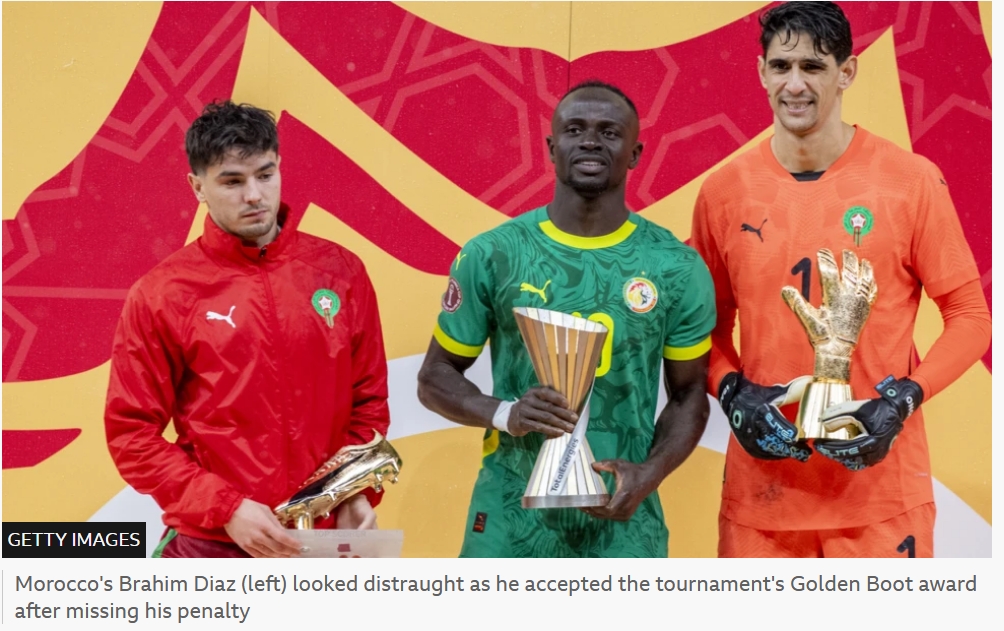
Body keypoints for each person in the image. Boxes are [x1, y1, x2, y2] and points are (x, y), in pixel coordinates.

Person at [690, 1, 992, 558]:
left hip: (880, 501)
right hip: (763, 506)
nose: (795, 84)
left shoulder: (911, 181)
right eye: (781, 67)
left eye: (814, 66)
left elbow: (971, 319)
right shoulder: (723, 193)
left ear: (847, 71)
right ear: (761, 72)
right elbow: (702, 334)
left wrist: (904, 399)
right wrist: (731, 390)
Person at [416, 81, 716, 558]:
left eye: (610, 132)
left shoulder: (676, 267)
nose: (591, 141)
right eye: (575, 130)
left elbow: (689, 394)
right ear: (552, 149)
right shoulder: (493, 254)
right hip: (508, 519)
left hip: (624, 521)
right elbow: (435, 377)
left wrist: (650, 473)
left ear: (636, 153)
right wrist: (505, 413)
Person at [104, 101, 391, 558]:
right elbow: (131, 435)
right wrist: (226, 509)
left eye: (265, 174)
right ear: (197, 186)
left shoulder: (340, 272)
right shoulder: (163, 293)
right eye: (232, 181)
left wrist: (353, 491)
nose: (254, 195)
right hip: (215, 546)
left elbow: (368, 405)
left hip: (325, 544)